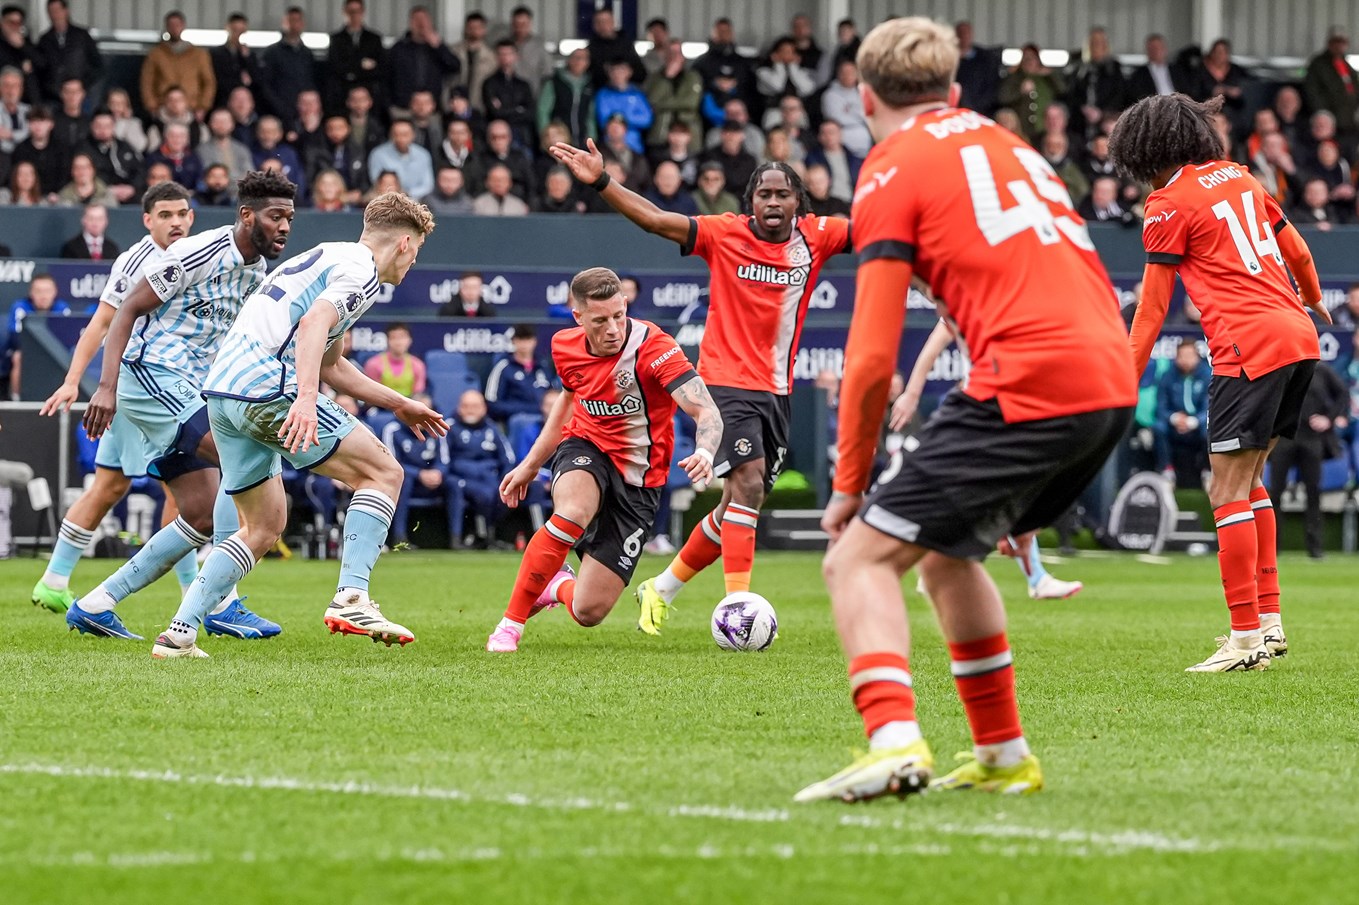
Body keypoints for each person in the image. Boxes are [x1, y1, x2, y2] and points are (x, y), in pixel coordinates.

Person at [797, 18, 1136, 804]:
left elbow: (872, 354)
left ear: (863, 96)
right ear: (951, 93)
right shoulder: (1008, 144)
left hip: (1029, 378)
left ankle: (891, 739)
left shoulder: (888, 166)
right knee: (948, 556)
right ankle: (1002, 754)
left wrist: (849, 486)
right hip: (1106, 378)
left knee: (856, 559)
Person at [549, 137, 851, 634]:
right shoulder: (723, 234)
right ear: (749, 201)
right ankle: (739, 608)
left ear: (799, 201)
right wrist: (603, 180)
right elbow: (654, 219)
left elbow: (883, 233)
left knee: (738, 503)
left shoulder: (819, 236)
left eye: (782, 194)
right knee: (748, 483)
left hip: (777, 390)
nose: (773, 203)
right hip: (723, 382)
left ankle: (662, 587)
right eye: (763, 194)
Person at [148, 192, 445, 658]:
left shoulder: (327, 256)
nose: (412, 263)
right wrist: (305, 400)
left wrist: (399, 402)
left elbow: (332, 363)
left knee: (263, 525)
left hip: (224, 395)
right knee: (384, 472)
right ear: (405, 243)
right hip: (270, 386)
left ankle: (179, 633)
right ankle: (352, 597)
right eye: (418, 252)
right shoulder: (362, 271)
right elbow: (312, 326)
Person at [1110, 92, 1330, 672]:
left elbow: (1152, 311)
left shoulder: (1166, 203)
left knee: (1225, 491)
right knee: (1252, 481)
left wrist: (1123, 383)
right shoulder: (1241, 176)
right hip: (1298, 337)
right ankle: (1269, 624)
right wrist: (1311, 300)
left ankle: (1242, 638)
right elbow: (1299, 249)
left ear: (1145, 149)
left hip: (1247, 346)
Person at [67, 171, 297, 642]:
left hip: (190, 384)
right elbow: (127, 308)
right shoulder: (203, 250)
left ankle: (96, 603)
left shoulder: (256, 270)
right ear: (247, 215)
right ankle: (223, 603)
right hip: (149, 371)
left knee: (199, 512)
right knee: (240, 457)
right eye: (275, 216)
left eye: (289, 217)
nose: (284, 227)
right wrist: (104, 387)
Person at [485, 267, 720, 652]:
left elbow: (706, 410)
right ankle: (509, 626)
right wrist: (530, 464)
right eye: (600, 320)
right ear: (578, 317)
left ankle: (556, 585)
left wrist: (705, 450)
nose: (612, 328)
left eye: (618, 316)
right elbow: (567, 404)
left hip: (641, 481)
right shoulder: (564, 346)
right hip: (587, 446)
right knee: (573, 510)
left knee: (588, 611)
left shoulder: (655, 349)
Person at [31, 183, 213, 620]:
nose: (176, 222)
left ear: (192, 217)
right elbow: (100, 325)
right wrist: (74, 381)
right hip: (145, 387)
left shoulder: (201, 254)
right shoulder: (135, 261)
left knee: (110, 485)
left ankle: (53, 580)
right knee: (188, 482)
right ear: (147, 220)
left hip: (157, 386)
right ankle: (199, 596)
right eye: (165, 215)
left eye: (182, 213)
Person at [889, 319, 1086, 600]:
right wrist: (911, 393)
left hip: (1010, 410)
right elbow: (932, 349)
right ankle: (928, 564)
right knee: (959, 492)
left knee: (1009, 490)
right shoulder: (962, 304)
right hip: (977, 412)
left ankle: (1036, 577)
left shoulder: (1014, 305)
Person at [1267, 364, 1349, 559]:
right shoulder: (1280, 367)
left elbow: (1343, 394)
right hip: (1283, 438)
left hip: (1311, 438)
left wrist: (1328, 419)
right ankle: (1272, 548)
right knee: (1274, 493)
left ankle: (1315, 548)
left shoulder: (1321, 370)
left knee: (1314, 492)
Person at [386, 394, 461, 548]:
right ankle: (399, 538)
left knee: (455, 484)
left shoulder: (438, 428)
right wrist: (419, 474)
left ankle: (456, 539)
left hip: (433, 479)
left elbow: (445, 460)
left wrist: (439, 472)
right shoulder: (393, 429)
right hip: (409, 478)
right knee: (403, 483)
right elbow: (391, 463)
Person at [1154, 339, 1211, 486]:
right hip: (1174, 423)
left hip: (1197, 423)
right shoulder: (1167, 375)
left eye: (1190, 356)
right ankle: (1167, 471)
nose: (1186, 360)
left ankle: (1208, 471)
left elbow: (1210, 407)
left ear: (1198, 357)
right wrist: (1173, 418)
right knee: (1159, 427)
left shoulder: (1207, 375)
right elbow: (1161, 406)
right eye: (1182, 356)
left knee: (1210, 429)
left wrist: (1194, 421)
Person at [6, 273, 72, 397]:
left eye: (47, 291)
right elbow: (15, 336)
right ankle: (16, 400)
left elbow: (66, 337)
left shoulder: (62, 308)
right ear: (31, 293)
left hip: (55, 352)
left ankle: (63, 397)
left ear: (55, 292)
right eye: (38, 291)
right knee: (18, 357)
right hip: (26, 351)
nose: (43, 296)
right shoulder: (20, 307)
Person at [140, 11, 216, 116]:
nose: (174, 28)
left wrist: (203, 106)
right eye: (171, 25)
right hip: (163, 108)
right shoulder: (156, 54)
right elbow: (147, 81)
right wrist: (152, 106)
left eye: (177, 25)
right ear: (166, 27)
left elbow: (209, 82)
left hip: (192, 108)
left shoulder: (199, 54)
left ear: (183, 26)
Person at [388, 6, 460, 114]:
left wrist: (439, 47)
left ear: (430, 23)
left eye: (424, 20)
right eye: (417, 20)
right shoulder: (399, 49)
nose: (421, 24)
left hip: (432, 107)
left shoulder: (437, 48)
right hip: (404, 107)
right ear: (410, 23)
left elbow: (455, 67)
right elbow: (386, 77)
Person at [37, 0, 103, 106]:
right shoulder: (44, 40)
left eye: (58, 10)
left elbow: (98, 66)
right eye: (51, 11)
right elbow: (40, 68)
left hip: (80, 97)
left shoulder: (82, 36)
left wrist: (83, 85)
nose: (55, 15)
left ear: (66, 11)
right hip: (53, 97)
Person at [1304, 28, 1359, 149]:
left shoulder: (1347, 65)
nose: (1339, 45)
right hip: (1330, 124)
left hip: (1349, 123)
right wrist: (1324, 115)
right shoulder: (1318, 64)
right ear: (1329, 43)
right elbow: (1312, 92)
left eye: (1342, 42)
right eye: (1336, 42)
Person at [485, 323, 551, 424]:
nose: (524, 344)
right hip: (515, 420)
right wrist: (524, 409)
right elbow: (492, 403)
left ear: (534, 341)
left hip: (544, 419)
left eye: (528, 339)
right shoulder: (503, 366)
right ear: (514, 341)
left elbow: (553, 395)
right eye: (520, 339)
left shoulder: (542, 366)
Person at [327, 0, 385, 114]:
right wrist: (360, 65)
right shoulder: (336, 39)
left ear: (363, 13)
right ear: (344, 12)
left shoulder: (374, 39)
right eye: (351, 11)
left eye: (357, 11)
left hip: (368, 94)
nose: (354, 15)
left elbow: (380, 68)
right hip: (342, 95)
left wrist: (350, 68)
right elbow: (335, 67)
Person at [537, 47, 595, 148]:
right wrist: (545, 136)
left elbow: (590, 115)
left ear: (588, 63)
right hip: (558, 139)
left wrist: (591, 136)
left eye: (583, 58)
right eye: (576, 58)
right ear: (569, 60)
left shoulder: (588, 85)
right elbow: (543, 111)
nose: (579, 62)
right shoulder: (554, 82)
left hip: (581, 139)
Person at [482, 40, 535, 150]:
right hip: (498, 135)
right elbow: (494, 112)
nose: (505, 57)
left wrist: (504, 109)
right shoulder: (489, 83)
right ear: (496, 56)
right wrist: (518, 109)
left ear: (516, 56)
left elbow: (530, 112)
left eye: (508, 54)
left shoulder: (523, 85)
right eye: (501, 54)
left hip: (521, 135)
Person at [368, 119, 435, 201]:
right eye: (396, 134)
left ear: (413, 135)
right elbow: (377, 182)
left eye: (405, 134)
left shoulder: (423, 155)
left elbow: (428, 185)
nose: (401, 138)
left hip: (417, 201)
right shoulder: (378, 154)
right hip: (387, 201)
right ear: (391, 135)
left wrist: (408, 194)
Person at [210, 12, 260, 110]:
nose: (237, 35)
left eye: (241, 31)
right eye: (235, 30)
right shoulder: (216, 54)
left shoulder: (249, 55)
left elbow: (257, 79)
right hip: (222, 101)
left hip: (244, 104)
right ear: (228, 28)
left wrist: (247, 58)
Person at [363, 322, 425, 397]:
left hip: (409, 405)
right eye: (393, 338)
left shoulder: (418, 365)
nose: (398, 342)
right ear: (387, 341)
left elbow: (418, 393)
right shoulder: (373, 364)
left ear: (410, 340)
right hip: (381, 405)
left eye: (402, 337)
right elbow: (371, 394)